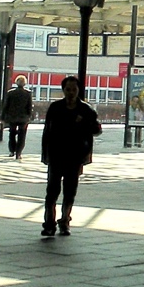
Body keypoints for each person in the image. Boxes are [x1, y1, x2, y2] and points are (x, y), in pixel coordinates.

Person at [40, 76, 101, 238]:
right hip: (56, 154)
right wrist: (45, 154)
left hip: (75, 156)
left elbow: (96, 130)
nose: (71, 93)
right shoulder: (55, 108)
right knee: (52, 191)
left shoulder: (86, 110)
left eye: (74, 89)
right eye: (68, 89)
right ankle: (49, 223)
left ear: (79, 90)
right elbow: (47, 131)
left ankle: (65, 220)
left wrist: (85, 123)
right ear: (63, 90)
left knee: (70, 191)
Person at [0, 75, 34, 160]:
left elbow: (6, 106)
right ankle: (19, 153)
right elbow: (29, 107)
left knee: (12, 134)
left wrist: (2, 117)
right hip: (23, 118)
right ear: (24, 83)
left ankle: (12, 150)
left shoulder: (11, 93)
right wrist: (30, 116)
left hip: (12, 117)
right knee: (22, 135)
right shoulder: (28, 93)